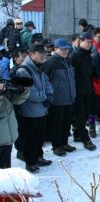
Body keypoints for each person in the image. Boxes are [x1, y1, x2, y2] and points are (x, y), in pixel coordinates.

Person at [16, 43, 54, 173]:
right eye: (40, 53)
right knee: (31, 137)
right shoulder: (24, 70)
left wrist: (50, 94)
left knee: (40, 136)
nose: (43, 55)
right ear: (31, 54)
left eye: (44, 53)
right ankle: (30, 161)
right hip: (30, 111)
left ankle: (39, 156)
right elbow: (30, 93)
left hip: (41, 109)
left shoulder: (39, 67)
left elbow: (47, 82)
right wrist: (45, 97)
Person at [41, 38, 76, 156]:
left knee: (67, 122)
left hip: (69, 98)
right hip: (57, 100)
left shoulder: (69, 61)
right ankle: (56, 145)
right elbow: (45, 81)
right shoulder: (50, 63)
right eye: (62, 49)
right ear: (55, 49)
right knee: (56, 124)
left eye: (66, 49)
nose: (65, 51)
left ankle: (64, 142)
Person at [68, 32, 96, 151]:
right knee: (80, 115)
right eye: (87, 42)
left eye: (91, 42)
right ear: (80, 42)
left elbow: (90, 73)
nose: (89, 44)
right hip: (78, 90)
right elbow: (72, 75)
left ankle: (77, 134)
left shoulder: (88, 55)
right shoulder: (74, 56)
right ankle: (85, 138)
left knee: (85, 114)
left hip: (87, 89)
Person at [0, 82, 30, 169]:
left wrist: (23, 90)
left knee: (6, 174)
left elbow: (17, 100)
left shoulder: (2, 84)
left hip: (7, 138)